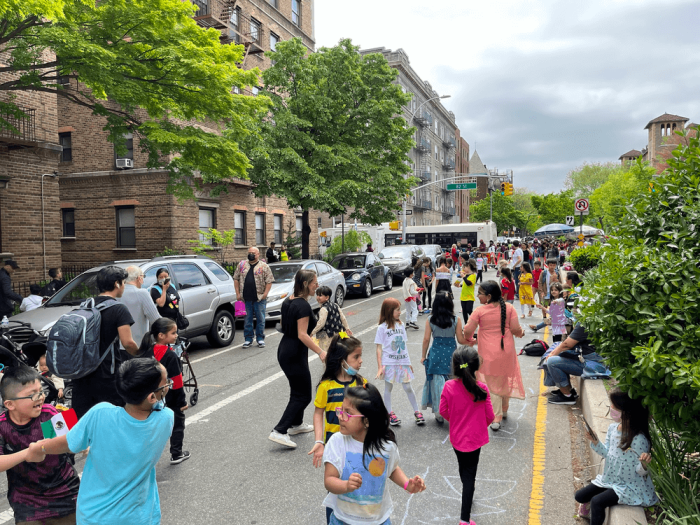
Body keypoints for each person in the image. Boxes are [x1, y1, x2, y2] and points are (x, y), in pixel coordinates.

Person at [27, 358, 175, 525]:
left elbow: (68, 443)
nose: (169, 385)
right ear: (152, 396)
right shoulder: (166, 418)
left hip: (95, 516)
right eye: (166, 383)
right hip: (138, 516)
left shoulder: (101, 413)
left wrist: (40, 447)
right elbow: (157, 407)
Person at [322, 383, 426, 525]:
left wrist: (407, 484)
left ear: (366, 421)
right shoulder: (337, 442)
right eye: (341, 410)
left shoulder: (386, 447)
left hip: (378, 521)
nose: (340, 416)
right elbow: (329, 480)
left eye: (347, 413)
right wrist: (346, 485)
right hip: (343, 520)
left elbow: (391, 469)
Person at [0, 365, 80, 523]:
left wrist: (82, 443)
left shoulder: (49, 412)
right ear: (10, 404)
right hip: (26, 502)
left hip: (66, 493)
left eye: (41, 391)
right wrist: (28, 453)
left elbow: (75, 440)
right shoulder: (2, 426)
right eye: (32, 395)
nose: (41, 397)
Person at [576, 388, 658, 525]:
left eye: (615, 406)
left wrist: (644, 464)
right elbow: (607, 453)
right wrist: (595, 441)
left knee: (597, 502)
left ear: (627, 411)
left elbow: (640, 472)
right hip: (611, 478)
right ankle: (598, 498)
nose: (611, 408)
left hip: (629, 486)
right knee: (579, 496)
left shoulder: (639, 439)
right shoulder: (613, 428)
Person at [310, 335, 365, 524]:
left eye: (360, 356)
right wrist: (319, 441)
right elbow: (318, 414)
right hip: (334, 448)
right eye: (356, 357)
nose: (361, 361)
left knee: (356, 486)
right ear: (343, 361)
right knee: (334, 488)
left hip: (357, 446)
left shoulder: (361, 384)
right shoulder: (326, 386)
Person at [72, 266, 139, 419]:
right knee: (113, 419)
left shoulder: (85, 305)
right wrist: (140, 353)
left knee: (84, 420)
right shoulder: (118, 309)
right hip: (106, 375)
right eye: (123, 282)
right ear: (116, 284)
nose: (124, 286)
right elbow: (128, 343)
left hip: (81, 372)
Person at [270, 269, 326, 449]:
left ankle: (296, 424)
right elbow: (302, 334)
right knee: (303, 395)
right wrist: (320, 352)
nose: (317, 285)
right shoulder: (302, 306)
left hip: (287, 350)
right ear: (305, 284)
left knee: (297, 390)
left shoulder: (289, 300)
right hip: (293, 353)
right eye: (314, 283)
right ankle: (279, 430)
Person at [440, 346, 495, 525]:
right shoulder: (482, 388)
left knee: (464, 469)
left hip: (457, 438)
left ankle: (467, 490)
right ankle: (464, 519)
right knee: (471, 474)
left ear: (455, 366)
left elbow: (443, 411)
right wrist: (478, 427)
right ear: (476, 365)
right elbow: (490, 417)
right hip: (475, 440)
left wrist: (456, 421)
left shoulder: (448, 386)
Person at [462, 280, 525, 431]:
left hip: (489, 354)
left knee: (492, 384)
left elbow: (467, 330)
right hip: (506, 351)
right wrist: (521, 333)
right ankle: (504, 409)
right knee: (503, 378)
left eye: (480, 294)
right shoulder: (509, 308)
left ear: (489, 296)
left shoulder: (479, 311)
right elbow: (516, 328)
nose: (478, 296)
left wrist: (470, 340)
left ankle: (495, 418)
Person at [138, 318, 190, 465]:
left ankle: (144, 458)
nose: (176, 336)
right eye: (173, 333)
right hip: (169, 397)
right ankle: (176, 453)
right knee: (177, 423)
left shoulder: (145, 351)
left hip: (147, 397)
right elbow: (177, 382)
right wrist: (182, 402)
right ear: (161, 335)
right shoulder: (170, 355)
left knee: (148, 427)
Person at [374, 297, 424, 426]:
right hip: (389, 363)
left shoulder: (401, 325)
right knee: (388, 388)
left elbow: (404, 346)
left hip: (402, 362)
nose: (400, 312)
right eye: (397, 310)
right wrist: (380, 367)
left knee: (408, 386)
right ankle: (390, 413)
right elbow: (378, 348)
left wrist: (409, 363)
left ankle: (417, 412)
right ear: (389, 311)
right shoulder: (381, 328)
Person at [420, 292, 468, 423]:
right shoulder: (456, 320)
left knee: (437, 384)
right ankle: (452, 410)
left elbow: (426, 340)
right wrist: (472, 342)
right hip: (451, 355)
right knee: (453, 383)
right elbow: (460, 339)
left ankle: (438, 412)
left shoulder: (430, 319)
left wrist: (423, 356)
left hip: (435, 354)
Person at [543, 323, 604, 404]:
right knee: (559, 356)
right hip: (596, 362)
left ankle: (567, 396)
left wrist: (551, 355)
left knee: (552, 362)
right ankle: (569, 390)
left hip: (593, 365)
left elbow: (567, 345)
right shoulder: (595, 320)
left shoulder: (585, 323)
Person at [233, 246, 274, 349]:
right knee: (247, 319)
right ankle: (248, 339)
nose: (251, 254)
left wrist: (265, 294)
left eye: (253, 253)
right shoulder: (242, 265)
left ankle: (260, 338)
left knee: (261, 319)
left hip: (259, 298)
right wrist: (237, 294)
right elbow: (236, 279)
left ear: (258, 254)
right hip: (244, 299)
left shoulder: (264, 266)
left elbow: (269, 281)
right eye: (249, 252)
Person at [121, 266, 161, 349]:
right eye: (143, 277)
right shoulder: (142, 293)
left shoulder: (117, 293)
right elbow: (156, 320)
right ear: (139, 278)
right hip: (139, 346)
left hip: (120, 347)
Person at [311, 286, 352, 352]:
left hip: (327, 336)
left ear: (327, 297)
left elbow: (321, 323)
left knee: (327, 354)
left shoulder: (323, 309)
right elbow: (343, 318)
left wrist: (312, 332)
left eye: (320, 295)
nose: (318, 297)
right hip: (338, 334)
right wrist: (347, 328)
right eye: (317, 295)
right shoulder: (335, 305)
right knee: (337, 352)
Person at [459, 258, 477, 323]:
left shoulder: (473, 275)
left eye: (464, 267)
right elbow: (465, 284)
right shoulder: (466, 275)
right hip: (463, 296)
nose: (463, 269)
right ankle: (466, 324)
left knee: (469, 310)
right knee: (464, 311)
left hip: (469, 296)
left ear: (469, 267)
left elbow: (469, 283)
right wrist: (459, 285)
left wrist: (463, 277)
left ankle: (473, 321)